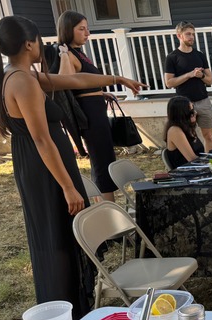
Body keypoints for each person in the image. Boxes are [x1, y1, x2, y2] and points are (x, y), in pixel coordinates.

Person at [0, 16, 144, 320]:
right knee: (57, 234)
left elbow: (74, 81)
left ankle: (73, 306)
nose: (42, 47)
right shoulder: (21, 81)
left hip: (45, 166)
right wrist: (68, 187)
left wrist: (117, 79)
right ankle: (66, 310)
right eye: (38, 41)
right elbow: (42, 140)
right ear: (29, 44)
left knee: (59, 233)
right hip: (46, 170)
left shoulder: (22, 75)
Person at [56, 11, 119, 202]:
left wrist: (100, 93)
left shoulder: (80, 53)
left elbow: (85, 83)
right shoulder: (68, 53)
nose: (87, 33)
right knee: (102, 161)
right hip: (90, 116)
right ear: (68, 30)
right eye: (81, 29)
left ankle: (106, 206)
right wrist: (64, 55)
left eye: (87, 28)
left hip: (97, 109)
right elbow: (66, 81)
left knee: (106, 158)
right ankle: (108, 212)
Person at [165, 21, 212, 152]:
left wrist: (201, 76)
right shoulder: (172, 57)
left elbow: (210, 81)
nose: (191, 37)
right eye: (188, 34)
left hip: (203, 101)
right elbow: (169, 83)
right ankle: (193, 162)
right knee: (188, 138)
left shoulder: (199, 55)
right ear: (179, 36)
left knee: (208, 136)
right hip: (184, 105)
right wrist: (189, 75)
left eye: (193, 34)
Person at [164, 96, 204, 168]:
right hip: (186, 173)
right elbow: (192, 159)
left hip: (197, 169)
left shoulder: (188, 128)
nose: (195, 112)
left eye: (193, 109)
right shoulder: (175, 131)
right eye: (191, 111)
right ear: (182, 113)